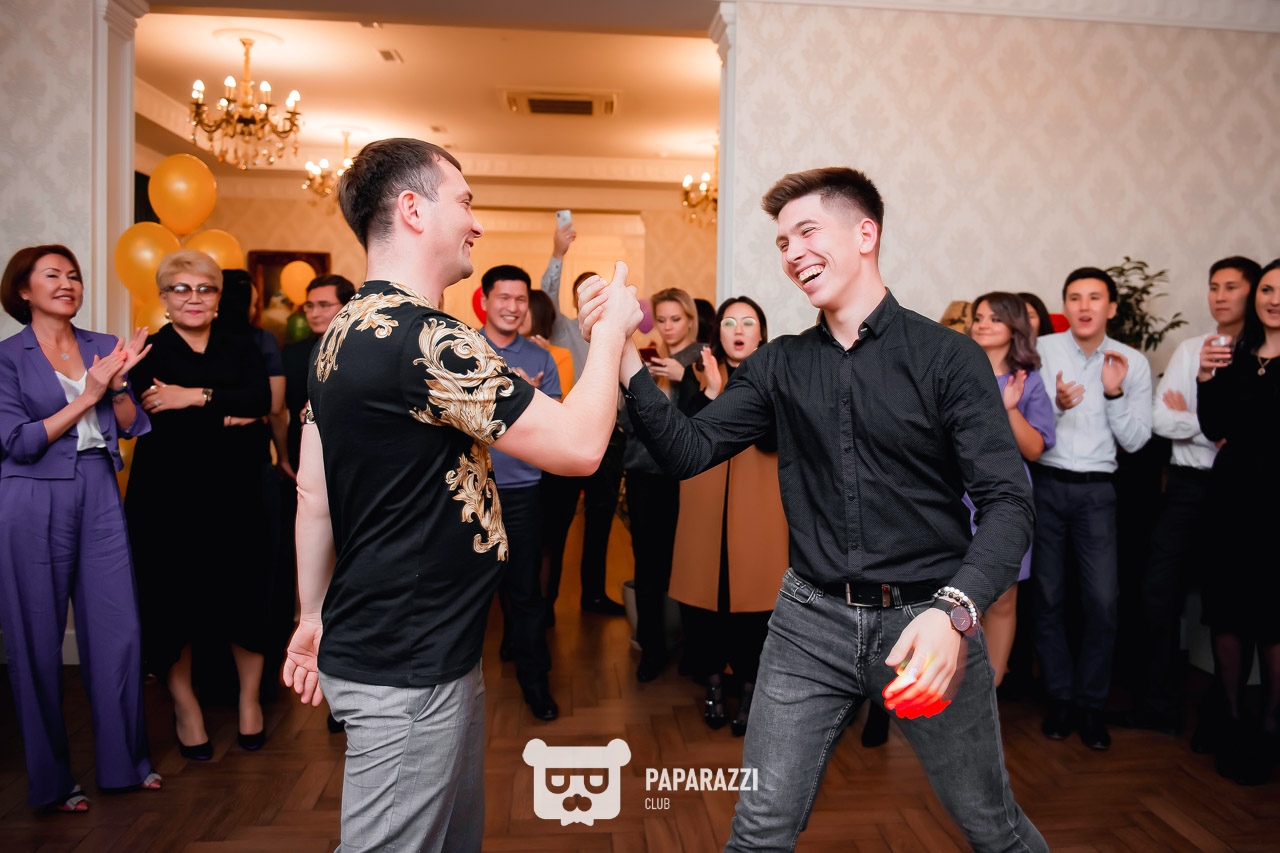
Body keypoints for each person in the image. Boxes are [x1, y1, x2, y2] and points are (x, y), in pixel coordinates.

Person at [590, 166, 1045, 850]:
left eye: (807, 231)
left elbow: (1009, 502)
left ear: (865, 234)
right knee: (758, 829)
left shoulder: (948, 358)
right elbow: (688, 449)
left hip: (926, 620)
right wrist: (624, 352)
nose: (792, 252)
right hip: (809, 622)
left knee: (993, 827)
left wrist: (955, 612)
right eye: (782, 241)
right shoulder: (779, 364)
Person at [280, 138, 640, 851]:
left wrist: (313, 611)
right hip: (409, 658)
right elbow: (579, 447)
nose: (476, 222)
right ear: (413, 210)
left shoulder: (339, 334)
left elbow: (313, 496)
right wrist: (608, 334)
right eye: (466, 202)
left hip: (416, 640)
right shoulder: (427, 339)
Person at [0, 245, 159, 811]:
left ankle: (124, 764)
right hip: (30, 495)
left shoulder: (102, 345)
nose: (68, 283)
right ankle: (52, 782)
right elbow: (18, 442)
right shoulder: (7, 357)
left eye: (74, 275)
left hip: (98, 487)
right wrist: (88, 394)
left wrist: (115, 386)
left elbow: (132, 423)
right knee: (35, 641)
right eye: (53, 275)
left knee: (119, 632)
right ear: (24, 291)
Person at [126, 249, 273, 759]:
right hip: (167, 497)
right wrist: (229, 410)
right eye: (181, 289)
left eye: (205, 289)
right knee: (173, 601)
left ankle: (250, 703)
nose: (194, 298)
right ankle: (185, 707)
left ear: (218, 298)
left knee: (245, 595)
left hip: (237, 494)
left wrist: (193, 397)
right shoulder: (150, 352)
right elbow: (151, 410)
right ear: (163, 298)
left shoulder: (241, 344)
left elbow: (262, 402)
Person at [1119, 256, 1257, 738]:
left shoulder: (1261, 355)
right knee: (1159, 593)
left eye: (1232, 287)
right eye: (1214, 286)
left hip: (1239, 492)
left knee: (1231, 602)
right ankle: (1161, 705)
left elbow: (1251, 430)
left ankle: (1227, 711)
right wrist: (1216, 431)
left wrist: (1206, 423)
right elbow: (1162, 420)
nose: (1219, 296)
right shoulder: (1191, 348)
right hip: (1184, 487)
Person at [1032, 267, 1152, 750]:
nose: (1084, 306)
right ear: (1065, 306)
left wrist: (1114, 393)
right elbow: (1023, 422)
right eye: (1075, 297)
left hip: (1098, 492)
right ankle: (1060, 698)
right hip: (1046, 484)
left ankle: (1091, 705)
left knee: (1102, 601)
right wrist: (1057, 405)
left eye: (1095, 297)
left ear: (1112, 308)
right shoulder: (1042, 350)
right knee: (1048, 597)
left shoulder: (1131, 361)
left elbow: (1137, 440)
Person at [669, 296, 786, 736]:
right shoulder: (699, 372)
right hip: (705, 503)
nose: (738, 330)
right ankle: (714, 688)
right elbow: (682, 436)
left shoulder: (777, 374)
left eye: (748, 322)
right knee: (705, 602)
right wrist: (713, 391)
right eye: (729, 322)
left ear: (762, 332)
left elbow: (774, 440)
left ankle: (751, 692)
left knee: (756, 605)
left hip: (759, 505)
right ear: (717, 331)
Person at [1195, 257, 1280, 786]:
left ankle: (1271, 725)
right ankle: (1229, 718)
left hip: (1276, 504)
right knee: (1227, 615)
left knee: (1272, 620)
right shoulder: (1235, 354)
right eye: (1268, 289)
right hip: (1229, 500)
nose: (1275, 299)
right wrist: (1206, 376)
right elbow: (1214, 426)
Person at [478, 263, 563, 720]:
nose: (512, 307)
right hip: (469, 491)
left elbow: (557, 426)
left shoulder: (539, 357)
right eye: (504, 297)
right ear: (485, 300)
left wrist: (529, 399)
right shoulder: (462, 350)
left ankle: (536, 685)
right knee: (467, 594)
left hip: (523, 492)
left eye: (520, 299)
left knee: (527, 591)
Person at [966, 292, 1055, 687]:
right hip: (955, 496)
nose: (982, 325)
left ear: (1014, 327)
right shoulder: (956, 372)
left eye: (994, 318)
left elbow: (1034, 449)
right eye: (979, 317)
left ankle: (990, 689)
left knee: (1002, 598)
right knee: (958, 595)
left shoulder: (1027, 381)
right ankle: (957, 689)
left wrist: (1011, 408)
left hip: (1006, 497)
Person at [280, 273, 355, 734]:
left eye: (323, 304)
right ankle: (331, 682)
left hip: (353, 482)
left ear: (345, 305)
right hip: (311, 475)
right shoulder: (297, 353)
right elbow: (283, 411)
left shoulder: (358, 348)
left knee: (346, 582)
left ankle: (343, 693)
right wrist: (289, 459)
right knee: (321, 583)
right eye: (309, 305)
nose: (313, 312)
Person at [539, 223, 627, 615]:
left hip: (610, 440)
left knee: (600, 522)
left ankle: (593, 596)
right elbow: (547, 294)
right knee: (557, 524)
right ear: (576, 301)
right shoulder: (561, 327)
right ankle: (547, 603)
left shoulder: (617, 334)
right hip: (566, 435)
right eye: (585, 293)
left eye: (599, 292)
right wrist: (558, 254)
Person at [623, 286, 704, 682]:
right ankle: (651, 648)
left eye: (676, 319)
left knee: (691, 563)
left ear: (690, 321)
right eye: (662, 319)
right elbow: (627, 422)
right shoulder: (647, 361)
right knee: (648, 565)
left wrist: (684, 378)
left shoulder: (704, 360)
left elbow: (709, 421)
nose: (669, 326)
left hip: (690, 478)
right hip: (644, 473)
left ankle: (696, 651)